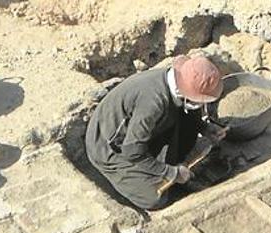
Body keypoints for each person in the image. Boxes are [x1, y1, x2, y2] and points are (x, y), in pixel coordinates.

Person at [85, 55, 227, 210]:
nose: (202, 104)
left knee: (188, 116)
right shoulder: (153, 103)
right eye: (201, 100)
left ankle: (171, 165)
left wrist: (204, 128)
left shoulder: (175, 82)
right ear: (186, 92)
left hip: (136, 132)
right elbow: (132, 151)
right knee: (154, 198)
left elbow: (188, 111)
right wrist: (171, 173)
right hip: (109, 148)